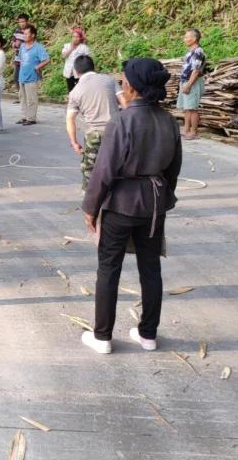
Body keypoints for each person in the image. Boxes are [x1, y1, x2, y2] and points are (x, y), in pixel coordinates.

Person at [80, 58, 182, 355]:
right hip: (153, 204)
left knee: (109, 268)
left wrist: (90, 206)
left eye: (123, 79)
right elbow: (174, 169)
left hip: (121, 203)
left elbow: (104, 170)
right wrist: (164, 197)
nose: (121, 82)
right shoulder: (168, 121)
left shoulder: (122, 121)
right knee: (150, 269)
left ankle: (103, 337)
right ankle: (148, 334)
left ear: (133, 86)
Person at [66, 56, 124, 189]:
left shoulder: (75, 91)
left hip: (94, 135)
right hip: (116, 131)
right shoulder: (109, 80)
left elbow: (70, 119)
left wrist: (74, 142)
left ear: (76, 71)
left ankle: (91, 203)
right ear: (94, 67)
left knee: (90, 172)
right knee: (117, 166)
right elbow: (125, 103)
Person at [16, 26, 50, 125]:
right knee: (22, 97)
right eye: (24, 34)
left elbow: (47, 60)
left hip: (32, 76)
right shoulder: (22, 46)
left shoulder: (38, 47)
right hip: (22, 76)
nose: (25, 36)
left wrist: (37, 67)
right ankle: (24, 116)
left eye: (27, 34)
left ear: (33, 35)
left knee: (31, 99)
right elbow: (20, 59)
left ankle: (31, 118)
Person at [178, 28, 206, 140]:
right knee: (187, 108)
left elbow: (196, 71)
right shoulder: (190, 52)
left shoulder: (198, 52)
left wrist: (189, 85)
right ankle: (186, 130)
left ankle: (193, 132)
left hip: (192, 82)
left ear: (194, 39)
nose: (185, 39)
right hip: (186, 81)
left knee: (193, 108)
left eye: (187, 37)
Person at [61, 27, 92, 92]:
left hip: (80, 72)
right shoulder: (66, 46)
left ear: (80, 38)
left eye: (77, 37)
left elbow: (89, 60)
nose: (75, 38)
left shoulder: (84, 48)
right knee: (71, 91)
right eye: (73, 36)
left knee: (80, 91)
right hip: (69, 73)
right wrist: (71, 48)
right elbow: (63, 56)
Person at [11, 14, 30, 100]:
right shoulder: (17, 31)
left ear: (27, 21)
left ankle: (25, 96)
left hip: (27, 58)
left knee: (25, 77)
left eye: (23, 21)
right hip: (18, 57)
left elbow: (32, 44)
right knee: (16, 77)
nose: (21, 23)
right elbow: (12, 43)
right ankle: (21, 96)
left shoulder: (30, 31)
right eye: (20, 22)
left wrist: (22, 44)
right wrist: (15, 44)